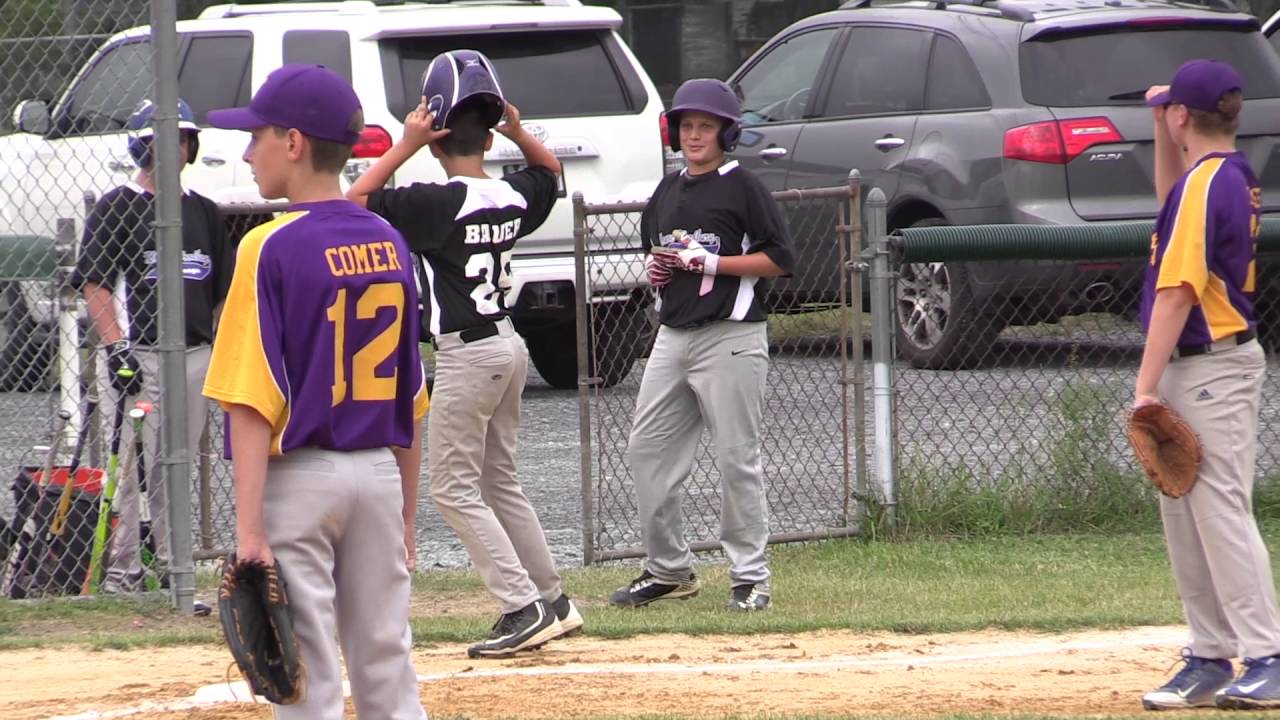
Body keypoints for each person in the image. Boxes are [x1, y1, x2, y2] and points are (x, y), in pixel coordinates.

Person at [202, 63, 430, 720]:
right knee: (387, 661)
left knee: (306, 681)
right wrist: (406, 515)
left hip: (299, 479)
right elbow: (409, 400)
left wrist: (249, 535)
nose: (248, 152)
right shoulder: (389, 241)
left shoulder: (268, 247)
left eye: (259, 136)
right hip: (378, 476)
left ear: (294, 143)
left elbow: (248, 402)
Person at [348, 49, 580, 659]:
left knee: (453, 488)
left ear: (438, 131)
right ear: (490, 121)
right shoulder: (507, 193)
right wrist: (519, 130)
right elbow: (551, 172)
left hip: (470, 354)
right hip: (510, 344)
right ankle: (553, 600)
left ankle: (520, 604)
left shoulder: (435, 201)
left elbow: (356, 202)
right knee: (499, 482)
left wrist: (403, 143)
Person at [608, 78, 794, 612]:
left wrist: (714, 264)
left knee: (736, 459)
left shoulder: (743, 187)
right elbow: (658, 249)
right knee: (647, 451)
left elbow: (780, 260)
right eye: (686, 125)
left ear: (726, 132)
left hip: (731, 338)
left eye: (705, 126)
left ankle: (751, 576)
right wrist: (658, 268)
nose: (694, 135)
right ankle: (668, 569)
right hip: (672, 336)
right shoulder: (668, 190)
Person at [1136, 59, 1280, 711]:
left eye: (1169, 111)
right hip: (1204, 363)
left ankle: (1269, 654)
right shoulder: (1224, 175)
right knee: (1186, 512)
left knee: (1217, 510)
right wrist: (1165, 131)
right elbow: (1174, 199)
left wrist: (1144, 388)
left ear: (1182, 116)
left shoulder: (1208, 184)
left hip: (1209, 364)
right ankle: (1209, 655)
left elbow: (1176, 291)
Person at [73, 98, 233, 594]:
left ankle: (173, 570)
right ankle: (122, 573)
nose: (175, 147)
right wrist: (116, 347)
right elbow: (96, 284)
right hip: (137, 356)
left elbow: (222, 294)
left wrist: (222, 349)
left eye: (182, 138)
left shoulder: (203, 211)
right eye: (164, 138)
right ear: (143, 146)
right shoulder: (118, 206)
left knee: (178, 468)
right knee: (132, 467)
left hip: (194, 355)